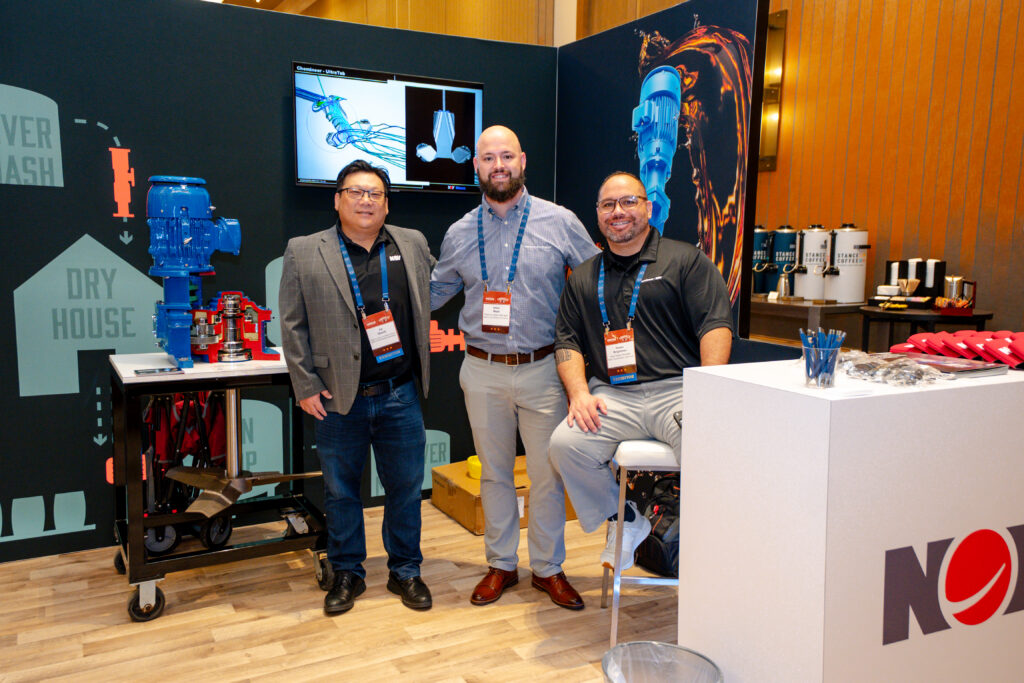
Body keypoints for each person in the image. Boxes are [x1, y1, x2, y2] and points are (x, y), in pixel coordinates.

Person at [431, 125, 600, 609]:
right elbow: (435, 291)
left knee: (547, 475)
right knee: (494, 474)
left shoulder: (560, 221)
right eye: (489, 158)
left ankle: (547, 568)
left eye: (507, 156)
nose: (498, 166)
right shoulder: (460, 232)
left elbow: (597, 281)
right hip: (482, 369)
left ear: (522, 161)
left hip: (544, 368)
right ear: (476, 166)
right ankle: (501, 564)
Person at [549, 171, 733, 571]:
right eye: (608, 204)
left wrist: (709, 393)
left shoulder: (684, 260)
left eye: (628, 201)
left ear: (648, 208)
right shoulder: (584, 276)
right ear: (598, 214)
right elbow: (567, 342)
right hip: (613, 396)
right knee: (566, 445)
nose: (618, 212)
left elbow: (715, 325)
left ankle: (714, 554)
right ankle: (625, 520)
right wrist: (579, 393)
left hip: (677, 391)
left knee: (710, 447)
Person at [279, 159, 434, 616]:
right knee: (341, 491)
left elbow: (443, 284)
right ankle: (347, 572)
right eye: (355, 192)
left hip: (400, 393)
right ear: (337, 200)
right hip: (336, 397)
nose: (366, 200)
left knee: (405, 489)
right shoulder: (304, 250)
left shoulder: (412, 243)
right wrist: (305, 383)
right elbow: (292, 323)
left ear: (386, 204)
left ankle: (405, 570)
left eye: (375, 194)